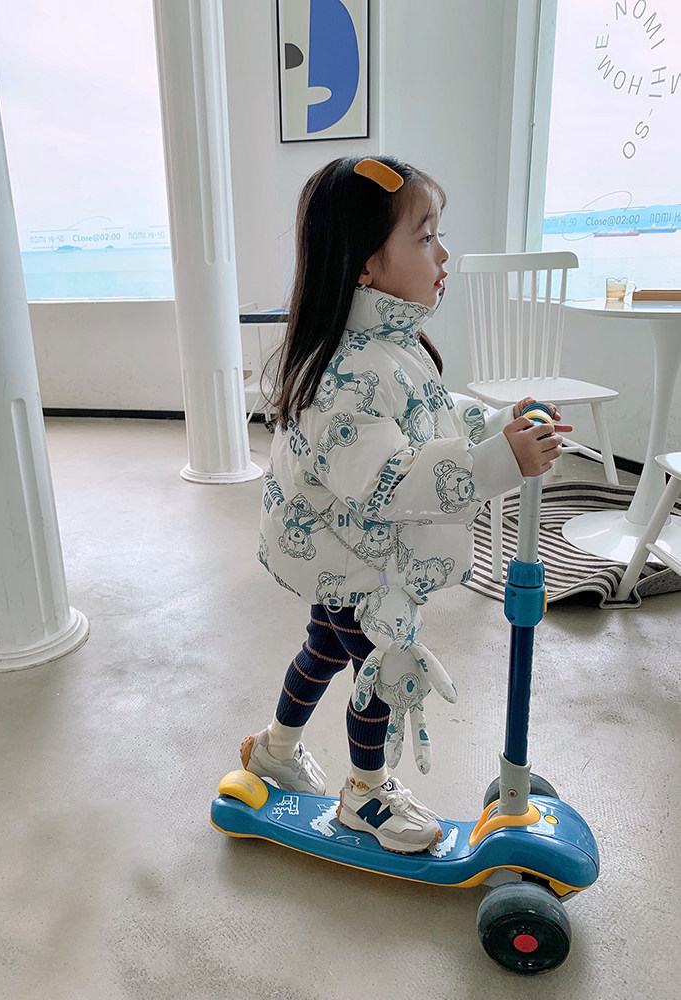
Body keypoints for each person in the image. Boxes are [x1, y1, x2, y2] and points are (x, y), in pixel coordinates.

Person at [240, 155, 571, 854]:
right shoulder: (348, 373)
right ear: (366, 265)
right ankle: (365, 794)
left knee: (324, 646)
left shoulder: (391, 342)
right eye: (424, 238)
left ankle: (274, 748)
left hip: (344, 550)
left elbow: (434, 420)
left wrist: (495, 428)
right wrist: (498, 462)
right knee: (382, 666)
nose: (443, 254)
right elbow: (392, 480)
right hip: (347, 555)